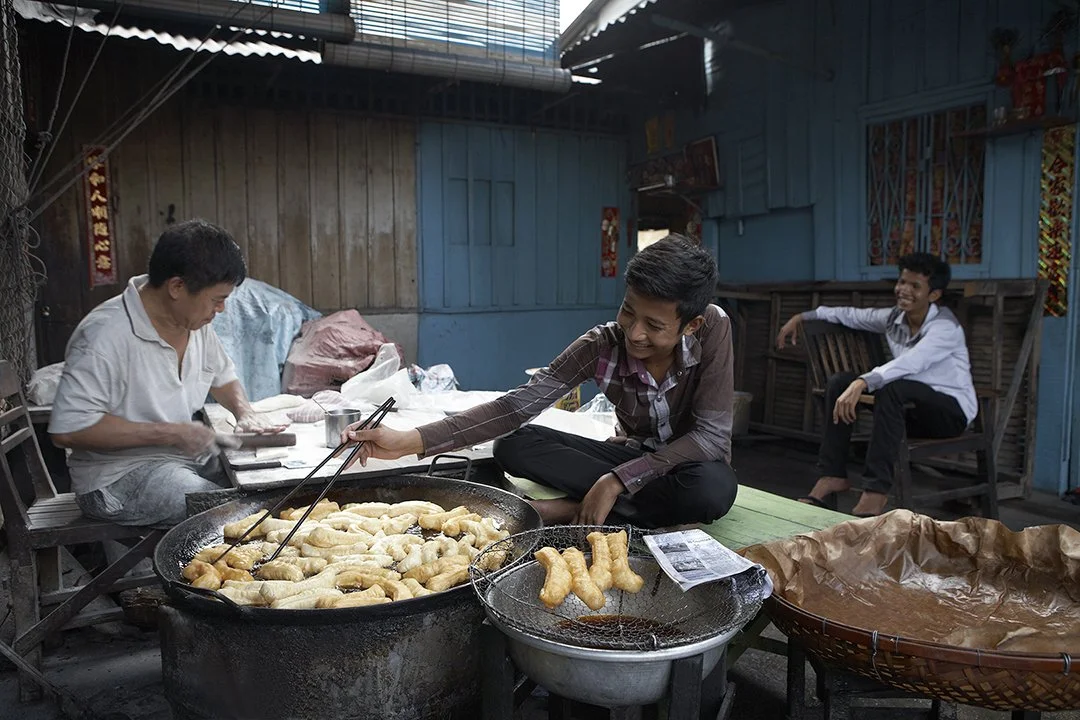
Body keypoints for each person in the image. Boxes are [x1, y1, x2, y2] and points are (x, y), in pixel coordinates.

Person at [340, 234, 739, 529]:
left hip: (685, 467)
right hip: (631, 455)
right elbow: (516, 408)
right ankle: (614, 504)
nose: (635, 333)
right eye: (628, 312)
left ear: (691, 325)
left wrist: (617, 480)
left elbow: (711, 437)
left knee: (712, 490)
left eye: (654, 325)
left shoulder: (713, 329)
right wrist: (408, 441)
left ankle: (569, 508)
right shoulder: (602, 345)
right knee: (514, 445)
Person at [49, 220, 283, 528]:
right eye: (217, 299)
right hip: (114, 479)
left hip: (179, 461)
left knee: (274, 488)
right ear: (176, 287)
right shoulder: (104, 335)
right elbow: (68, 429)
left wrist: (245, 412)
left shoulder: (194, 323)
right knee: (236, 517)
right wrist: (173, 433)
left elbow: (223, 375)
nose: (222, 309)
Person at [775, 252, 976, 516]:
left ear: (934, 295)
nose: (903, 290)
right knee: (839, 382)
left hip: (949, 413)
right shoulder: (894, 319)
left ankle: (876, 492)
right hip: (907, 407)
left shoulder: (945, 328)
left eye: (915, 286)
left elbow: (911, 364)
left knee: (892, 386)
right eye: (902, 282)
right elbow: (852, 315)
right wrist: (804, 316)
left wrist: (864, 381)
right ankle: (832, 474)